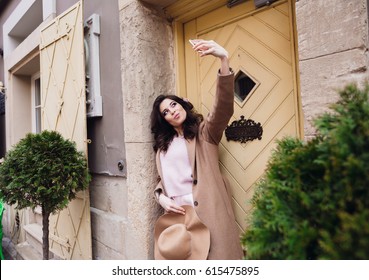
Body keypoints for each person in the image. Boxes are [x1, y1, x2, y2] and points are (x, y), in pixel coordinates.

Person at [150, 39, 243, 260]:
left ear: (182, 105)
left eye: (173, 104)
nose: (172, 111)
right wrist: (160, 196)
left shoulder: (204, 134)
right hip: (178, 219)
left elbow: (222, 109)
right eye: (165, 112)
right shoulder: (163, 147)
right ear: (163, 120)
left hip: (207, 213)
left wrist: (223, 59)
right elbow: (165, 179)